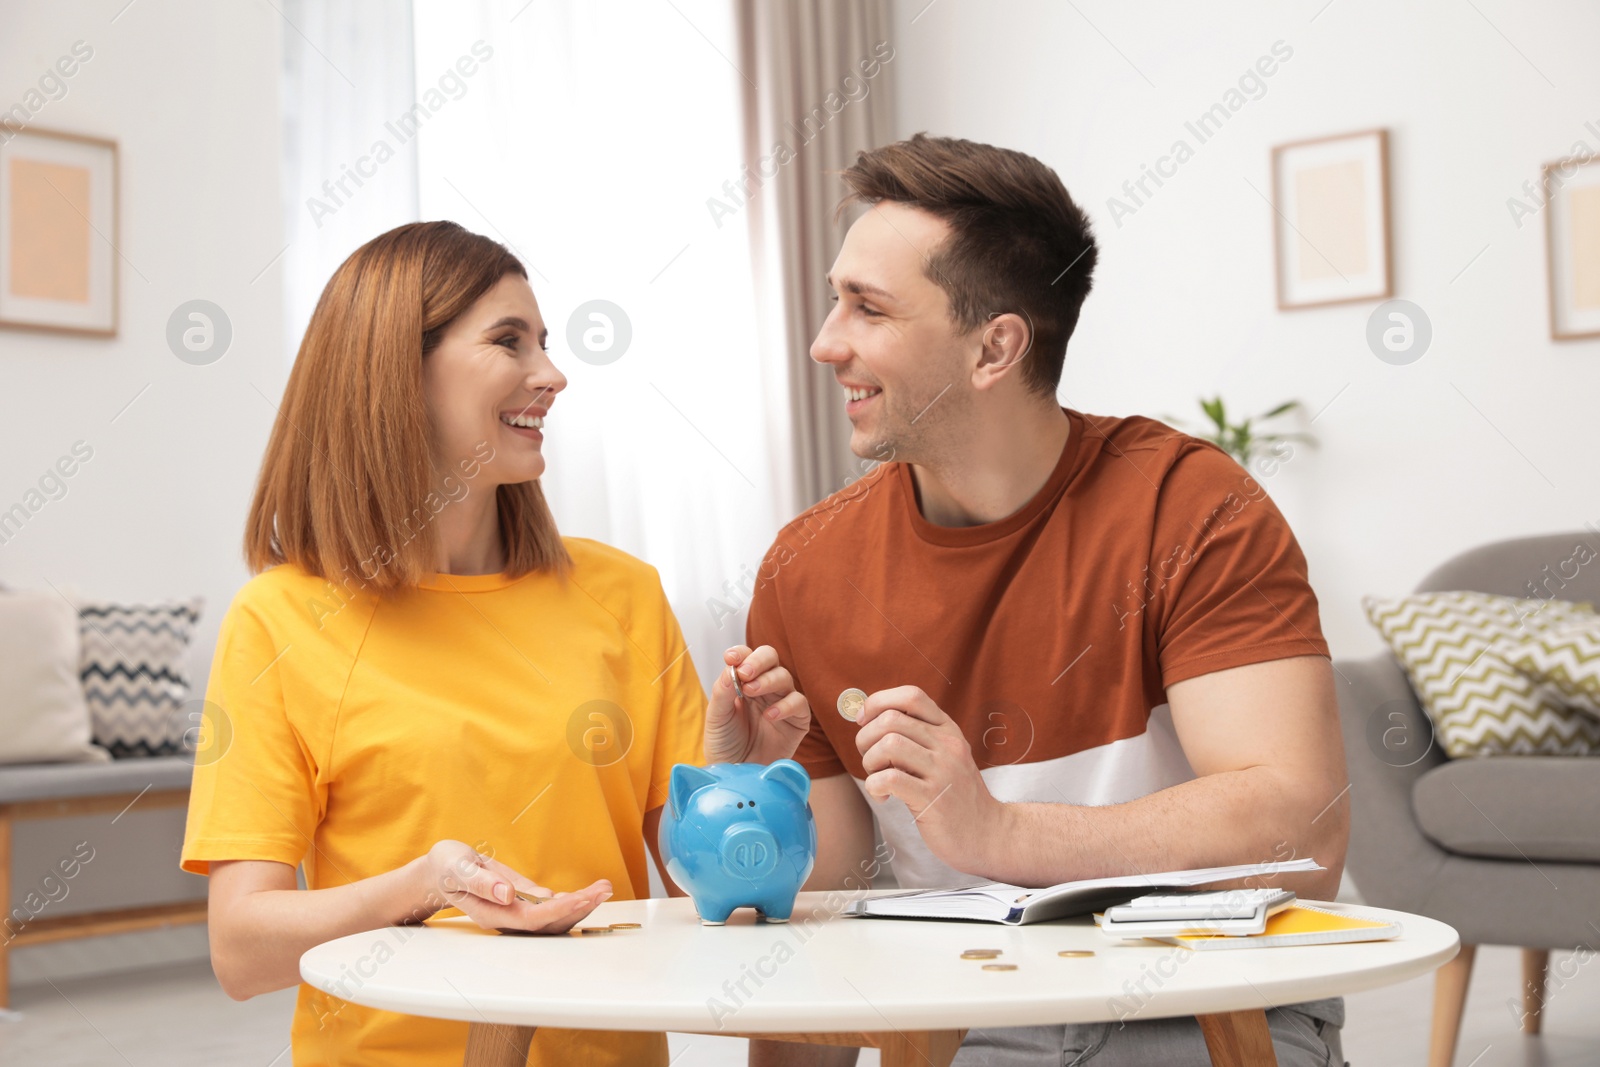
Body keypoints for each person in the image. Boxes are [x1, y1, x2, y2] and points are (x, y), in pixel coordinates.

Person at [745, 135, 1351, 1067]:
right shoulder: (807, 567)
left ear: (996, 347)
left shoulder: (1190, 509)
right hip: (968, 1017)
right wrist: (752, 793)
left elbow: (1299, 826)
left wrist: (1002, 832)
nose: (828, 342)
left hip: (1201, 1002)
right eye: (837, 299)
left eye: (868, 308)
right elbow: (818, 913)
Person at [180, 221, 810, 1067]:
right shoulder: (282, 621)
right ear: (396, 369)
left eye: (544, 342)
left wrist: (737, 781)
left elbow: (707, 903)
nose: (551, 374)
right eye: (509, 341)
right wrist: (425, 887)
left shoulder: (620, 593)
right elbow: (242, 950)